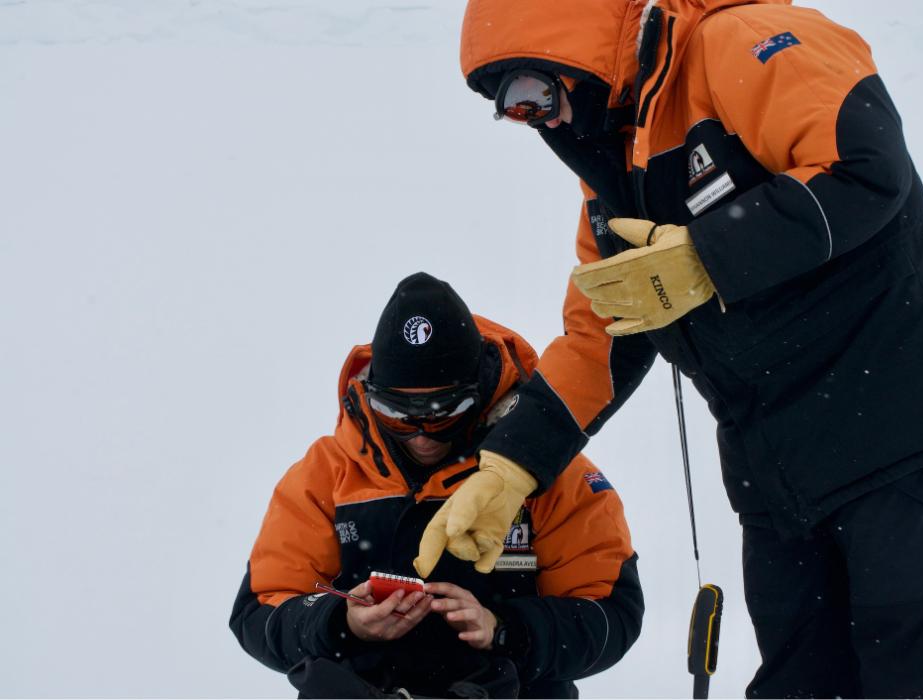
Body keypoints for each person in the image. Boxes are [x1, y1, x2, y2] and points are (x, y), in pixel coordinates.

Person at [412, 1, 923, 697]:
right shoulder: (617, 169)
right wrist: (510, 467)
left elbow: (865, 164)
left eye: (534, 92)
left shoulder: (742, 41)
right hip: (778, 473)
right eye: (512, 110)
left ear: (580, 49)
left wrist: (711, 256)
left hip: (897, 426)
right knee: (799, 680)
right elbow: (602, 332)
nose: (538, 118)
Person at [230, 273, 643, 699]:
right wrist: (340, 621)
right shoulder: (325, 475)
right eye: (396, 413)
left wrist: (503, 629)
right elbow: (259, 612)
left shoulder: (547, 470)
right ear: (371, 396)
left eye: (445, 411)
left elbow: (611, 614)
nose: (422, 434)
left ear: (480, 390)